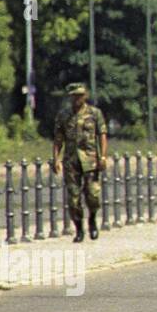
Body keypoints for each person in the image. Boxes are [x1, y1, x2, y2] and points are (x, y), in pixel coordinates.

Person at [52, 83, 107, 243]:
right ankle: (79, 229)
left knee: (93, 195)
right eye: (74, 95)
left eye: (80, 95)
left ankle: (92, 219)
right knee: (74, 199)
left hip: (90, 160)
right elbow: (58, 139)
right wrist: (56, 158)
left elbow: (102, 135)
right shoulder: (63, 115)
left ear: (85, 96)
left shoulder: (95, 113)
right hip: (71, 161)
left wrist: (103, 157)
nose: (77, 98)